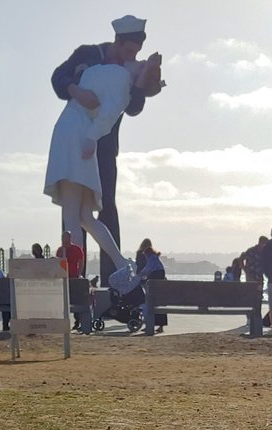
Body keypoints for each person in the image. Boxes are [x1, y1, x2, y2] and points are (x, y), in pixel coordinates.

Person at [50, 15, 165, 282]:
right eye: (128, 50)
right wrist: (76, 90)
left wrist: (145, 75)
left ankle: (113, 276)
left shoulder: (129, 71)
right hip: (77, 137)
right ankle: (77, 272)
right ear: (117, 41)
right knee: (75, 211)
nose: (131, 55)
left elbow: (134, 107)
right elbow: (59, 77)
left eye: (136, 52)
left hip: (104, 144)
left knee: (102, 208)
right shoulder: (88, 54)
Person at [135, 240, 167, 332]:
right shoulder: (156, 259)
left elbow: (146, 269)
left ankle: (149, 324)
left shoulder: (151, 259)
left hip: (153, 285)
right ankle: (160, 326)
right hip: (161, 284)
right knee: (159, 303)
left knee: (150, 302)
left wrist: (138, 276)